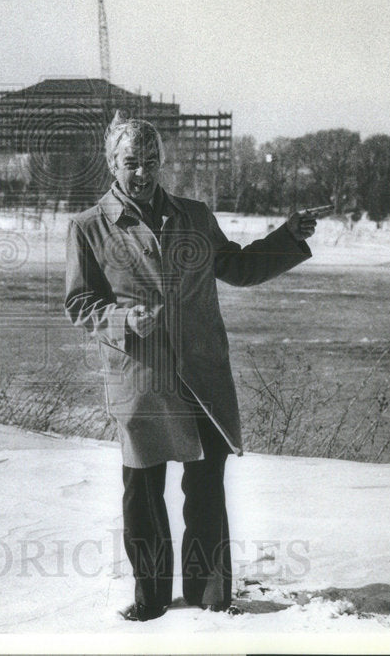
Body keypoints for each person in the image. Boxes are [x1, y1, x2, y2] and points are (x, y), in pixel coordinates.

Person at [64, 112, 318, 622]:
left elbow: (238, 267)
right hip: (141, 376)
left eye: (151, 161)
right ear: (112, 163)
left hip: (201, 372)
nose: (142, 172)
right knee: (144, 489)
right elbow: (80, 304)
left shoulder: (195, 217)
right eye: (132, 162)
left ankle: (209, 595)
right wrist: (121, 317)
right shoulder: (89, 226)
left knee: (205, 484)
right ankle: (151, 597)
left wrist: (287, 236)